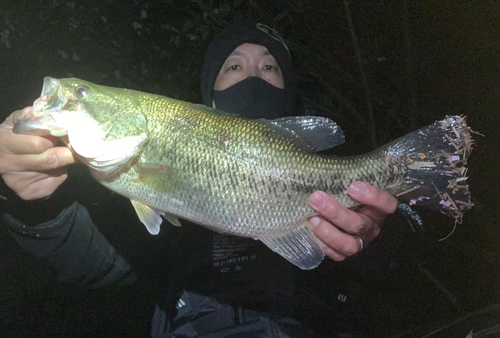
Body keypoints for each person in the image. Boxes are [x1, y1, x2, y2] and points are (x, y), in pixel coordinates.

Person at [0, 18, 420, 337]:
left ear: (288, 92)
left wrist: (375, 242)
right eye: (234, 65)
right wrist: (33, 206)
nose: (253, 75)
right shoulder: (135, 184)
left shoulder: (346, 203)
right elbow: (91, 266)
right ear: (211, 94)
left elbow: (404, 280)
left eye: (269, 66)